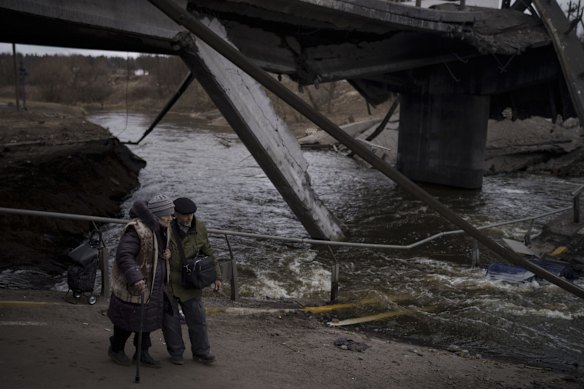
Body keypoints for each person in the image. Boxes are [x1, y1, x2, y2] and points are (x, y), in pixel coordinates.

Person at [107, 193, 174, 368]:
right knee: (127, 321)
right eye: (167, 214)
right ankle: (116, 349)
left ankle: (142, 352)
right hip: (135, 285)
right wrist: (135, 276)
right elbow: (124, 254)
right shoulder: (137, 229)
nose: (171, 217)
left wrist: (167, 254)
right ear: (157, 214)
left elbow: (157, 250)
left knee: (147, 321)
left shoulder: (163, 227)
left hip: (154, 285)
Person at [163, 197, 222, 365]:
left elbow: (209, 252)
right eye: (185, 215)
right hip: (168, 282)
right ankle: (176, 353)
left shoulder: (200, 227)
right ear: (175, 214)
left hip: (191, 282)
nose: (189, 218)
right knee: (170, 322)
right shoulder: (165, 227)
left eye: (191, 214)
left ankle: (202, 353)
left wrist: (217, 276)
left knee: (198, 320)